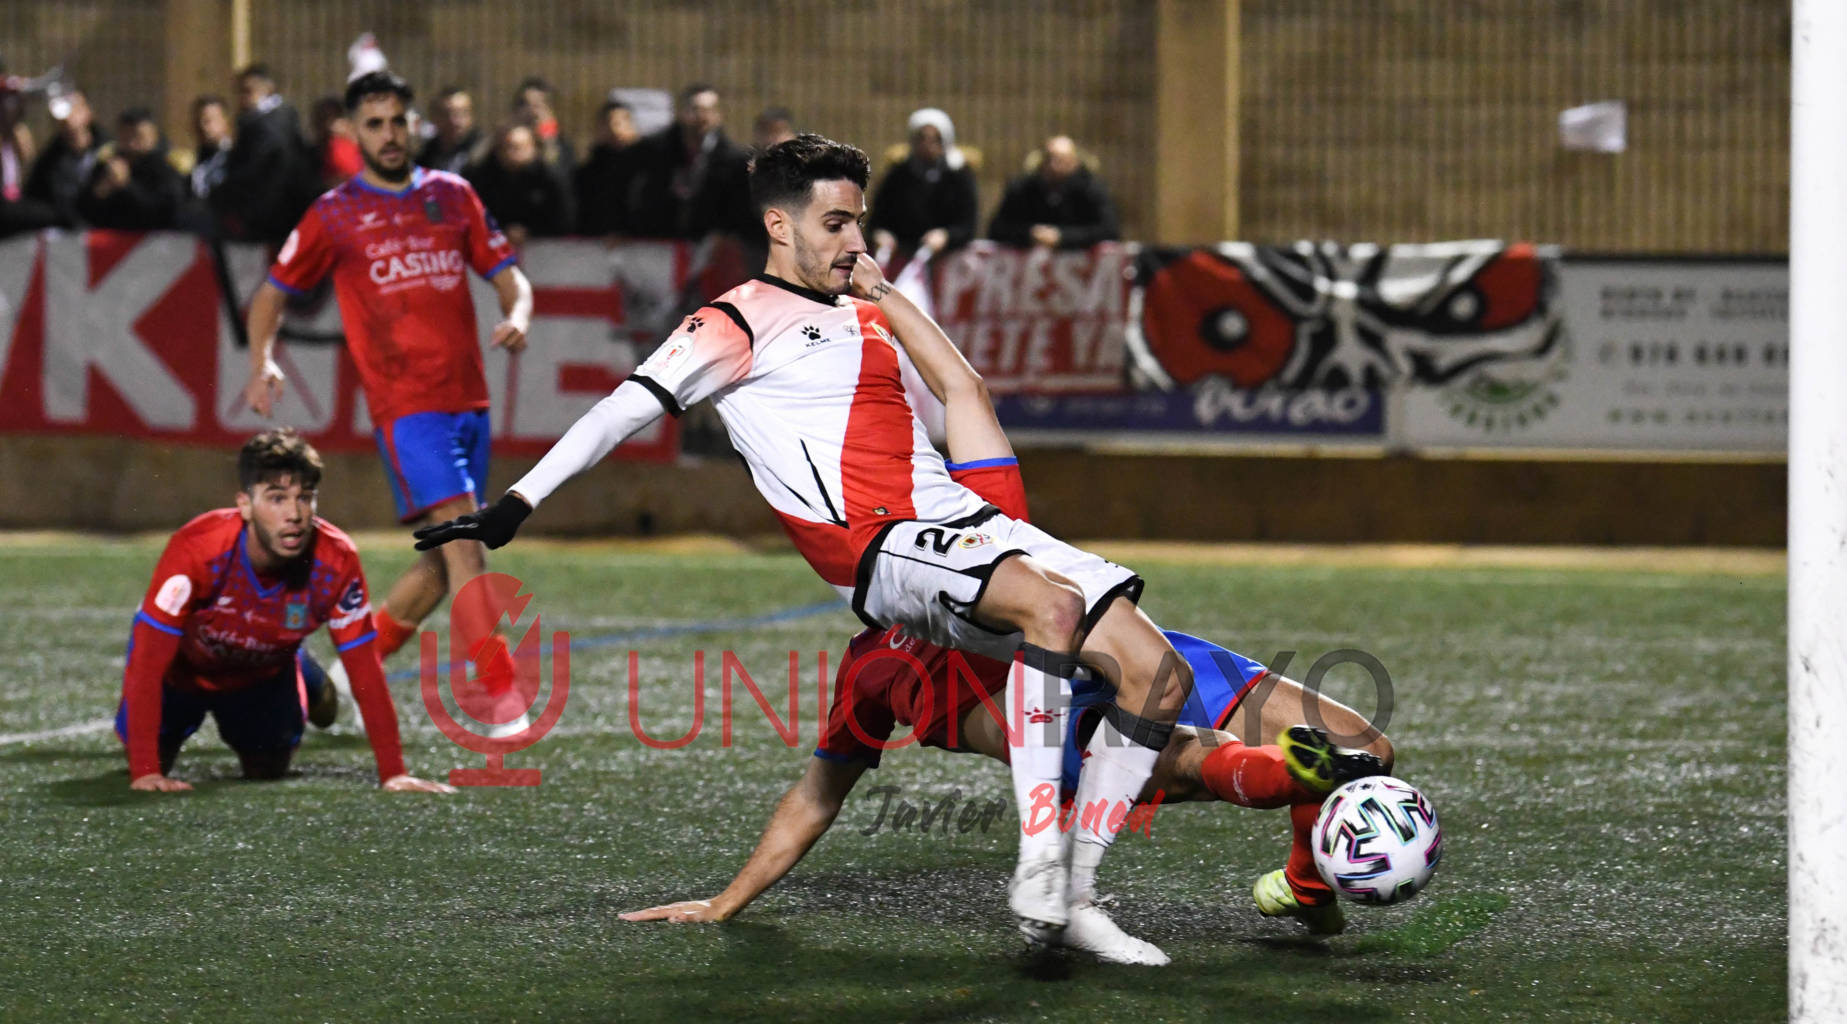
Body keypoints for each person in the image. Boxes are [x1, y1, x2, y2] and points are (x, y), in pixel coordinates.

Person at [414, 134, 1195, 955]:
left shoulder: (867, 307)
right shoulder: (733, 319)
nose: (853, 242)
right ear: (778, 226)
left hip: (962, 524)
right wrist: (516, 502)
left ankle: (1073, 896)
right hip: (879, 545)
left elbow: (959, 390)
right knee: (1053, 605)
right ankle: (1039, 861)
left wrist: (888, 297)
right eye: (834, 224)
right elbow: (622, 407)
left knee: (1158, 674)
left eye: (858, 222)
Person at [616, 333, 1393, 961]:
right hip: (1049, 726)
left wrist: (881, 300)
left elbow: (963, 392)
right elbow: (818, 794)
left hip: (1129, 654)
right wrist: (726, 901)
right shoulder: (879, 666)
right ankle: (1287, 773)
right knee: (1192, 762)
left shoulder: (976, 512)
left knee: (1368, 748)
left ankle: (1306, 884)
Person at [241, 71, 535, 719]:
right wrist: (262, 358)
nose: (389, 134)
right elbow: (271, 294)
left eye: (398, 120)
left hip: (469, 404)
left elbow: (508, 274)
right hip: (406, 407)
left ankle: (344, 678)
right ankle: (498, 688)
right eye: (374, 124)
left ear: (414, 124)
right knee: (465, 544)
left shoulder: (453, 195)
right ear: (352, 133)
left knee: (439, 565)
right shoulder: (333, 212)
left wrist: (518, 313)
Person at [116, 428, 454, 795]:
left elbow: (365, 669)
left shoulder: (336, 561)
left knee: (267, 768)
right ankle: (305, 672)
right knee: (147, 759)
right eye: (276, 498)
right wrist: (146, 772)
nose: (294, 514)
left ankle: (302, 675)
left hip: (260, 675)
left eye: (305, 498)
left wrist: (394, 773)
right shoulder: (196, 550)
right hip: (182, 674)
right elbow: (147, 664)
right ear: (244, 504)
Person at [625, 82, 754, 240]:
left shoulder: (733, 160)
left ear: (718, 115)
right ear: (681, 112)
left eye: (708, 110)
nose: (701, 116)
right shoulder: (653, 150)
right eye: (695, 109)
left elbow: (737, 207)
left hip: (710, 245)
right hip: (659, 242)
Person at [213, 63, 312, 242]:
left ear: (268, 88)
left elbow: (259, 171)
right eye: (240, 91)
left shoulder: (270, 126)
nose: (243, 97)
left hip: (268, 217)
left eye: (248, 90)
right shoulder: (264, 120)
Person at [866, 108, 978, 262]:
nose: (927, 144)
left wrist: (946, 236)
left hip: (948, 262)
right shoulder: (897, 176)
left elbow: (967, 225)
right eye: (922, 138)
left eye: (935, 139)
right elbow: (877, 220)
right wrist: (881, 234)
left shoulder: (959, 176)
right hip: (900, 259)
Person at [987, 135, 1120, 251]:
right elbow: (997, 228)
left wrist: (1062, 237)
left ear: (1075, 162)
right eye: (1049, 159)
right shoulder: (1022, 187)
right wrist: (1030, 234)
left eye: (1062, 160)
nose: (1054, 166)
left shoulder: (1092, 189)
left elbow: (1109, 230)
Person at [466, 119, 573, 244]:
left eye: (517, 148)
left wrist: (531, 232)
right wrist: (502, 230)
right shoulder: (485, 177)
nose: (510, 153)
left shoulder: (550, 178)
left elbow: (564, 220)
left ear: (533, 148)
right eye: (504, 148)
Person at [79, 107, 186, 231]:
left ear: (152, 137)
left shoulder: (164, 170)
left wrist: (127, 185)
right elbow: (83, 210)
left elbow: (165, 211)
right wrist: (101, 189)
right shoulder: (108, 166)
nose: (132, 144)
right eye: (126, 137)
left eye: (139, 137)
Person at [23, 89, 103, 227]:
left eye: (75, 110)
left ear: (88, 113)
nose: (69, 118)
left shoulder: (110, 152)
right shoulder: (48, 162)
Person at [574, 98, 641, 237]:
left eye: (620, 123)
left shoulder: (646, 169)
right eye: (606, 123)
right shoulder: (587, 172)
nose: (614, 129)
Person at [417, 86, 480, 175]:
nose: (454, 121)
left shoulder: (483, 153)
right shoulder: (427, 156)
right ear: (433, 117)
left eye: (461, 113)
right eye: (446, 114)